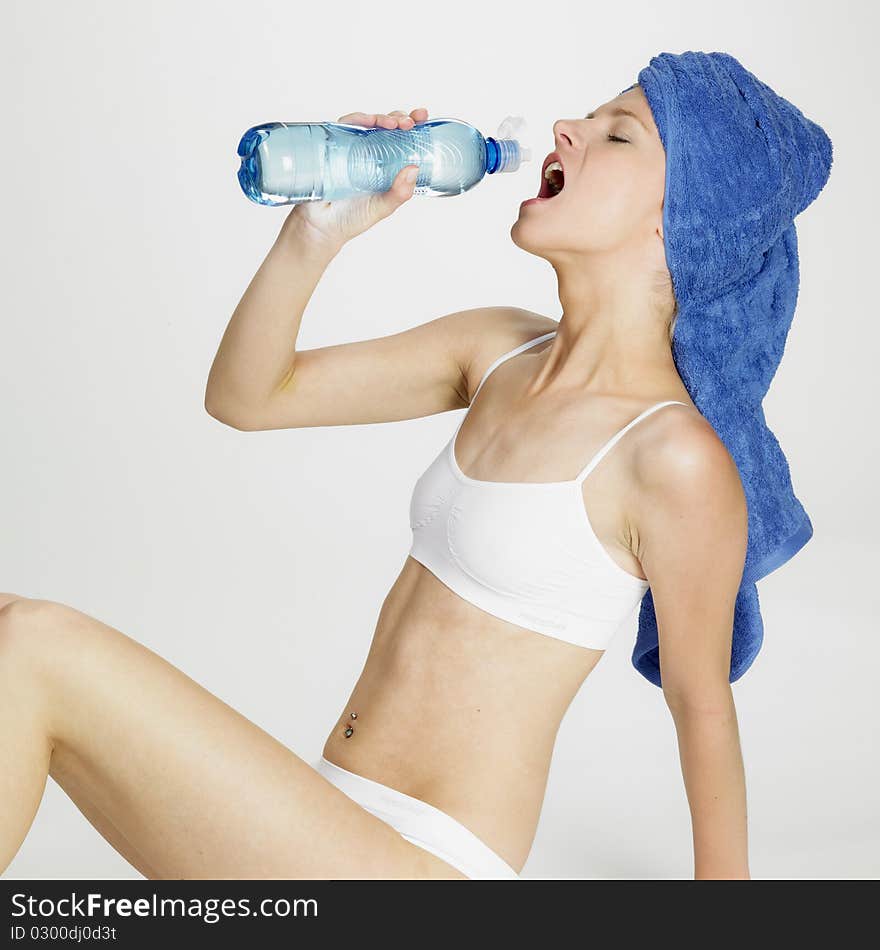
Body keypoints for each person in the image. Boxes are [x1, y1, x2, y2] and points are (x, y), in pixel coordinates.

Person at [2, 84, 768, 881]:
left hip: (428, 868)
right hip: (333, 820)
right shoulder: (499, 349)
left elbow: (702, 709)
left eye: (618, 135)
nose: (566, 129)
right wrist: (316, 232)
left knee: (32, 642)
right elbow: (246, 397)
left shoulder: (672, 455)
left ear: (677, 221)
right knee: (8, 630)